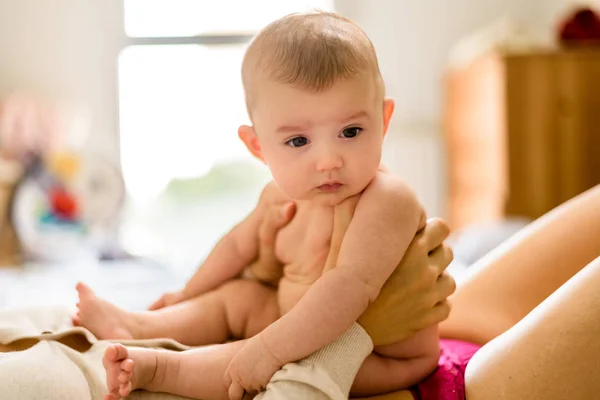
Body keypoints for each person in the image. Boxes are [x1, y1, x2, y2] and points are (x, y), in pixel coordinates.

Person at [75, 11, 449, 400]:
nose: (328, 160)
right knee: (233, 299)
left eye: (351, 132)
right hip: (291, 316)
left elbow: (348, 288)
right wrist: (188, 295)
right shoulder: (280, 196)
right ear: (258, 146)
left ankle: (159, 369)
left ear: (383, 120)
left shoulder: (386, 199)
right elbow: (238, 245)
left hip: (380, 354)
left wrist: (268, 349)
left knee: (260, 356)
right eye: (299, 141)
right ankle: (139, 326)